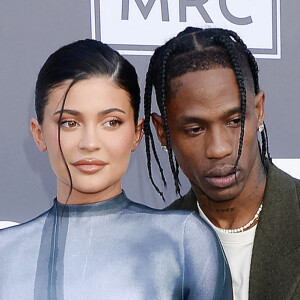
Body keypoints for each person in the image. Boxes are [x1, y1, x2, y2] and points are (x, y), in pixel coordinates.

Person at [0, 39, 232, 299]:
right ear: (39, 133)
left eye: (111, 122)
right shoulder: (5, 254)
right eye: (69, 123)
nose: (90, 143)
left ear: (136, 133)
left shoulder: (184, 242)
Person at [144, 27, 300, 300]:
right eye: (195, 129)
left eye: (234, 121)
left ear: (259, 110)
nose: (219, 149)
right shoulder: (152, 248)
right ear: (162, 131)